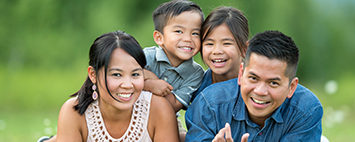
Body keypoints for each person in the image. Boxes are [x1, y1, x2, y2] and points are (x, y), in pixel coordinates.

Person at [185, 31, 323, 141]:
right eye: (253, 78)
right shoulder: (208, 106)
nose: (260, 91)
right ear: (241, 74)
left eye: (273, 83)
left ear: (291, 87)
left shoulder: (306, 110)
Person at [47, 31, 179, 142]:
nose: (128, 85)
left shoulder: (158, 109)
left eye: (135, 74)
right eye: (116, 74)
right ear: (93, 75)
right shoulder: (74, 112)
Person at [143, 0, 204, 112]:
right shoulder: (146, 56)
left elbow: (174, 106)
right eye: (179, 31)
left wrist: (149, 79)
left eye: (195, 33)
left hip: (164, 120)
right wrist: (148, 84)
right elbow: (122, 79)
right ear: (159, 38)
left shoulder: (196, 73)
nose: (188, 39)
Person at [190, 6, 249, 102]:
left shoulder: (255, 86)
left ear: (244, 49)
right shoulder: (196, 85)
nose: (217, 51)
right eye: (209, 44)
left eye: (227, 43)